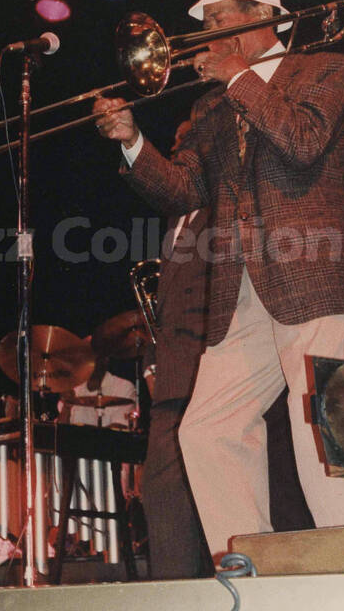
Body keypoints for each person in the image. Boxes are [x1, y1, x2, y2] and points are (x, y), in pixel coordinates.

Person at [94, 0, 344, 561]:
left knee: (319, 429)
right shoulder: (209, 108)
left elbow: (302, 142)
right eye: (206, 23)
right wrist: (131, 141)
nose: (207, 35)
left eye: (220, 19)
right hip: (239, 286)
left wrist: (240, 77)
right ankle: (249, 563)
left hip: (315, 275)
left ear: (262, 16)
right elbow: (184, 193)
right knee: (207, 429)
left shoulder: (323, 67)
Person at [137, 120, 212, 579]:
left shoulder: (223, 209)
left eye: (187, 143)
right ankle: (174, 591)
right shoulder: (175, 220)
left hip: (207, 371)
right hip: (171, 375)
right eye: (176, 142)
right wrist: (150, 362)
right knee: (162, 491)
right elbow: (164, 309)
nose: (177, 150)